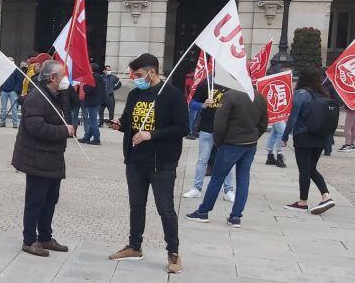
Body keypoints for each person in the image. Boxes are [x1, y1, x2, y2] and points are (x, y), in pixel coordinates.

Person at [107, 53, 185, 274]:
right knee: (136, 205)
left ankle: (173, 252)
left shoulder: (172, 96)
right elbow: (130, 121)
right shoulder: (134, 95)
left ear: (152, 72)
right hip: (135, 161)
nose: (135, 78)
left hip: (161, 163)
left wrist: (152, 134)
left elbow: (182, 128)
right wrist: (119, 125)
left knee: (165, 209)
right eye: (133, 75)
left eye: (139, 74)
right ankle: (134, 246)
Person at [13, 59, 76, 257]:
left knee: (50, 200)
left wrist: (67, 92)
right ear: (53, 78)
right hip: (37, 158)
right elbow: (36, 127)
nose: (66, 78)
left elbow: (73, 105)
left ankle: (45, 237)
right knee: (36, 200)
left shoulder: (56, 95)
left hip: (53, 157)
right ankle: (30, 240)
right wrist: (63, 131)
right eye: (62, 76)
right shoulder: (37, 98)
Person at [185, 83, 268, 228]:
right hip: (249, 143)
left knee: (217, 177)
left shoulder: (230, 96)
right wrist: (254, 137)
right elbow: (263, 123)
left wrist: (219, 141)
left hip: (231, 143)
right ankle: (236, 216)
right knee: (243, 179)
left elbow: (220, 122)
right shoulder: (259, 96)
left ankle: (203, 211)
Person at [282, 67, 336, 215]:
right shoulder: (323, 93)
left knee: (304, 170)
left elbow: (293, 118)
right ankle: (326, 196)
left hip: (303, 135)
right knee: (311, 168)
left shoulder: (301, 94)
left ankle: (302, 202)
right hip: (319, 136)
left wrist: (285, 136)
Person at [182, 80, 237, 202]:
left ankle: (228, 190)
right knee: (202, 159)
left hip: (225, 130)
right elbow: (192, 103)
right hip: (207, 128)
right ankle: (196, 188)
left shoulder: (233, 84)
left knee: (227, 161)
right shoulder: (205, 83)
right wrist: (203, 105)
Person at [78, 64, 105, 145]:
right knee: (91, 120)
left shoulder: (92, 77)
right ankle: (87, 137)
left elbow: (89, 89)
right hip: (96, 101)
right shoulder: (99, 77)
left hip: (92, 101)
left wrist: (83, 86)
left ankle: (97, 138)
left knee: (93, 121)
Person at [0, 63, 24, 128]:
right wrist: (1, 88)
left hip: (12, 91)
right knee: (3, 108)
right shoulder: (3, 70)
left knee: (14, 108)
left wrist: (15, 90)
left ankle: (15, 123)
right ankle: (2, 122)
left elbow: (19, 81)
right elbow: (0, 79)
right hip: (4, 90)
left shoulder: (16, 70)